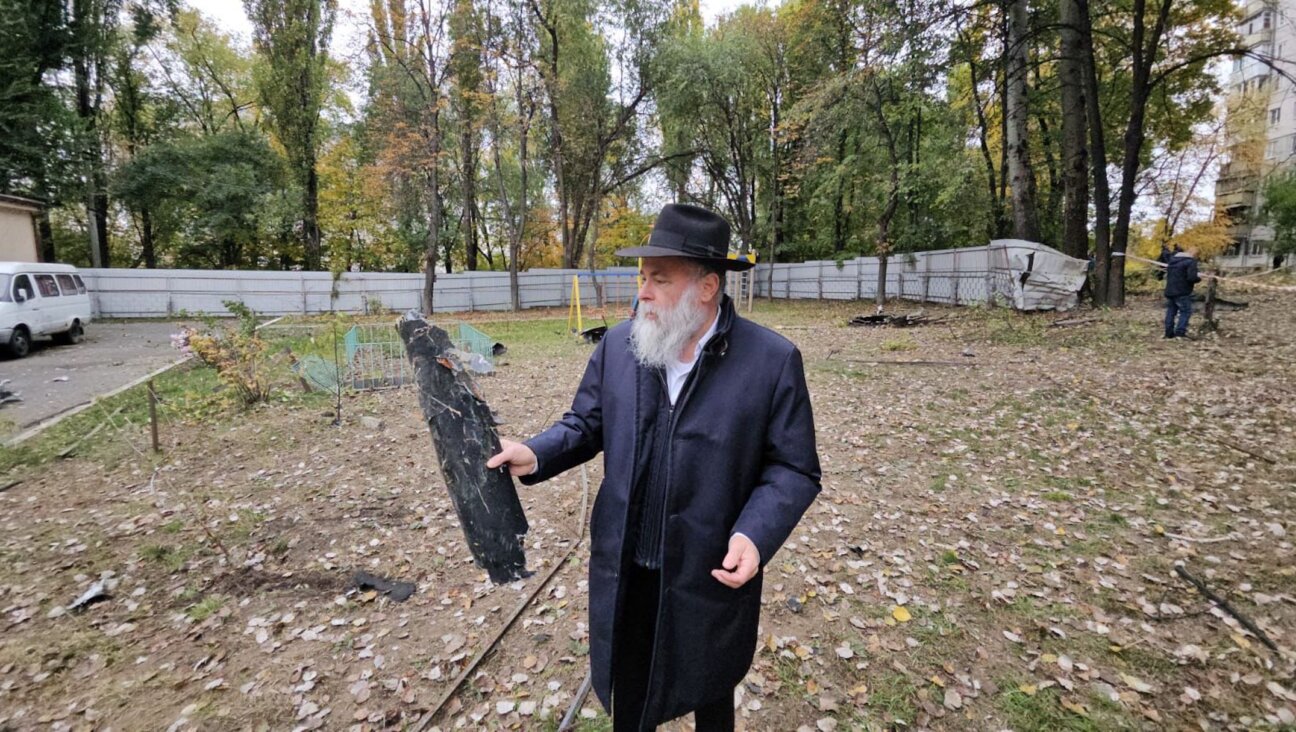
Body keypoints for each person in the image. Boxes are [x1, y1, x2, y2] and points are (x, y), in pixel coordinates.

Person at [487, 203, 821, 732]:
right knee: (633, 692)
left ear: (707, 287)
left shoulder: (770, 361)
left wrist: (755, 535)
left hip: (710, 567)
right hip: (631, 565)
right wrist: (537, 452)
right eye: (642, 277)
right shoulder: (621, 347)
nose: (641, 291)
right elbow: (585, 423)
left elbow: (794, 468)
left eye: (658, 279)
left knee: (711, 684)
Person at [1164, 246, 1201, 339]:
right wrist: (1199, 278)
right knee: (1186, 311)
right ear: (1194, 254)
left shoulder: (1172, 260)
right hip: (1182, 291)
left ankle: (1168, 333)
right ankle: (1180, 332)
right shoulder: (1191, 262)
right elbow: (1191, 277)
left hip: (1170, 290)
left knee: (1171, 311)